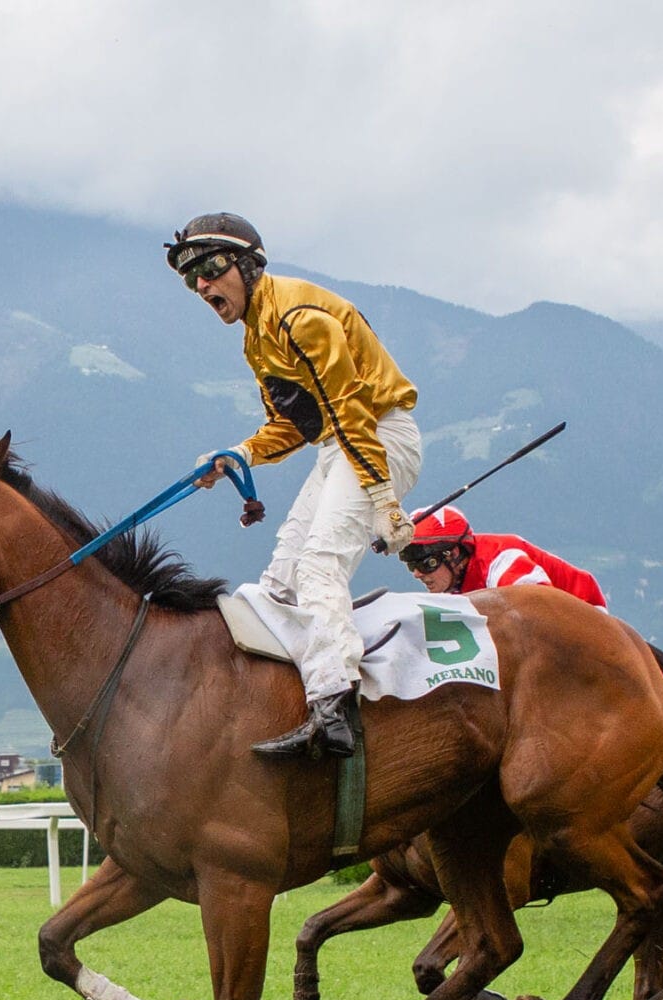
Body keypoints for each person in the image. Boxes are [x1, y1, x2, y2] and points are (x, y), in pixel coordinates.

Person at [170, 212, 422, 759]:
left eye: (210, 268)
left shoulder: (299, 318)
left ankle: (334, 707)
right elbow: (296, 425)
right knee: (280, 580)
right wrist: (237, 454)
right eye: (191, 279)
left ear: (247, 264)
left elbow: (350, 409)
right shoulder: (256, 338)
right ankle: (276, 701)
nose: (202, 285)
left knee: (318, 565)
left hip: (376, 436)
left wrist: (383, 500)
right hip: (340, 444)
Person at [399, 505, 609, 609]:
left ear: (453, 554)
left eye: (427, 564)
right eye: (411, 565)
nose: (417, 574)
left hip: (586, 610)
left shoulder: (502, 560)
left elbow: (541, 610)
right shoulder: (455, 579)